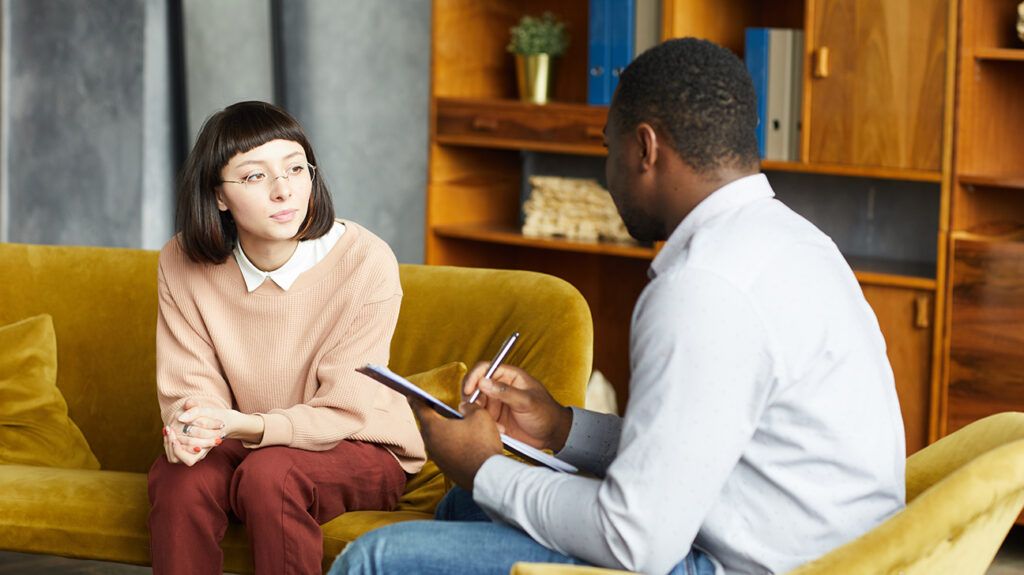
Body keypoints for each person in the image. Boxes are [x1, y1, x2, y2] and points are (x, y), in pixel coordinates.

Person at [331, 38, 906, 575]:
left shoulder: (702, 287)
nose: (608, 175)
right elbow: (695, 446)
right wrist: (561, 427)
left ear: (645, 148)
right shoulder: (790, 240)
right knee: (461, 508)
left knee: (377, 557)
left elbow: (636, 539)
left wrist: (484, 467)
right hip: (805, 538)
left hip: (752, 563)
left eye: (609, 150)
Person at [147, 101, 425, 575]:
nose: (284, 191)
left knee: (272, 475)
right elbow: (190, 383)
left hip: (360, 444)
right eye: (255, 177)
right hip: (246, 433)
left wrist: (239, 426)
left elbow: (343, 409)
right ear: (218, 196)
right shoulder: (181, 260)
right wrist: (191, 429)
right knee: (179, 476)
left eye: (296, 168)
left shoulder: (364, 260)